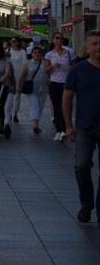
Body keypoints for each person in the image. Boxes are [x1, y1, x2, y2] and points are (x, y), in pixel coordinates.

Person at [63, 31, 100, 223]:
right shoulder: (78, 70)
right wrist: (68, 126)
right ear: (87, 47)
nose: (98, 47)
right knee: (82, 166)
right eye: (94, 44)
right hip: (85, 127)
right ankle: (86, 203)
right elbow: (67, 98)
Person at [45, 33, 75, 141]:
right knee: (57, 107)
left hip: (66, 83)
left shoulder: (69, 53)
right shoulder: (49, 54)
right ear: (53, 40)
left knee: (65, 106)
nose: (59, 40)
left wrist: (66, 66)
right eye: (57, 38)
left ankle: (66, 128)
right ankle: (59, 130)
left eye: (61, 38)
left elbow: (73, 67)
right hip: (54, 82)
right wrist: (52, 66)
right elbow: (46, 70)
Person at [18, 44, 48, 136]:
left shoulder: (45, 63)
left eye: (39, 53)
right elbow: (23, 75)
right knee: (34, 105)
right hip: (31, 88)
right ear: (32, 54)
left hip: (43, 88)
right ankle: (34, 125)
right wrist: (19, 87)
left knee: (40, 107)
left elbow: (49, 74)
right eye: (35, 52)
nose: (37, 54)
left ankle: (37, 123)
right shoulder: (28, 63)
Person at [7, 38, 27, 124]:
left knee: (17, 96)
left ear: (18, 42)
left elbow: (25, 64)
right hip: (9, 75)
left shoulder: (22, 52)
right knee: (9, 95)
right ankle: (9, 113)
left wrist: (23, 77)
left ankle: (15, 113)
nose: (12, 42)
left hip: (19, 76)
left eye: (14, 41)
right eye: (11, 41)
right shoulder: (7, 51)